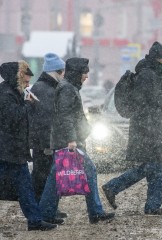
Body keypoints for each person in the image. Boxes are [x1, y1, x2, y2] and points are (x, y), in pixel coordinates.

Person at [39, 57, 115, 224]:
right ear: (76, 73)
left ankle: (46, 213)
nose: (86, 76)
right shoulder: (67, 89)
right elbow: (65, 116)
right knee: (89, 172)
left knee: (56, 177)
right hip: (69, 142)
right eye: (84, 73)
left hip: (66, 140)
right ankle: (95, 212)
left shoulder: (69, 87)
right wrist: (72, 139)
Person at [101, 41, 162, 215]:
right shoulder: (147, 76)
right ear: (157, 59)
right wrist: (151, 130)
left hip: (150, 129)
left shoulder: (152, 73)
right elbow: (142, 105)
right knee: (153, 167)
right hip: (148, 130)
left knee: (153, 167)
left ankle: (151, 205)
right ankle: (114, 187)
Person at [0, 61, 57, 231]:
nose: (28, 82)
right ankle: (35, 220)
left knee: (26, 188)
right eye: (25, 79)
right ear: (17, 76)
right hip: (6, 150)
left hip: (13, 150)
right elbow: (13, 118)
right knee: (25, 187)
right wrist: (27, 104)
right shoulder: (5, 94)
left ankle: (35, 220)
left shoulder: (12, 92)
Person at [29, 53, 67, 218]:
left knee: (44, 176)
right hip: (45, 143)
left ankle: (48, 208)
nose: (63, 74)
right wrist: (49, 145)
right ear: (55, 72)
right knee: (43, 177)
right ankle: (44, 210)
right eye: (62, 71)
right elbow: (46, 121)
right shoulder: (45, 89)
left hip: (44, 141)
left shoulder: (44, 87)